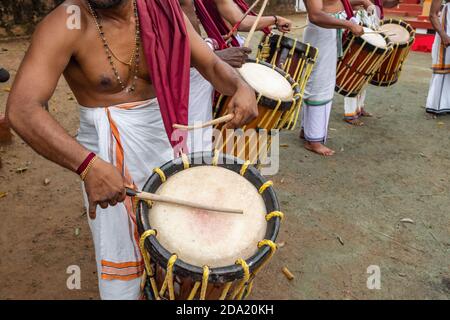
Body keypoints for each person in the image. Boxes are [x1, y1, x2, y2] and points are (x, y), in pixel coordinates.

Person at [6, 0, 257, 300]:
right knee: (122, 259)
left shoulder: (163, 10)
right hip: (104, 159)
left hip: (168, 143)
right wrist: (87, 166)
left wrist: (240, 86)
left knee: (181, 242)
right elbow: (22, 108)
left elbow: (210, 63)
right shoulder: (67, 22)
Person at [301, 0, 364, 156]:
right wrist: (348, 25)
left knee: (321, 82)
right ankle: (314, 140)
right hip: (320, 32)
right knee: (319, 84)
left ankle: (307, 130)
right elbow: (316, 15)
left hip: (327, 31)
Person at [343, 0, 400, 125]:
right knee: (355, 72)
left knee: (365, 73)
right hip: (357, 22)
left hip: (369, 20)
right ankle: (350, 113)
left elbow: (385, 4)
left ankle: (360, 107)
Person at [426, 0, 450, 115]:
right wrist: (443, 35)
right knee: (444, 65)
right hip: (448, 25)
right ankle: (437, 104)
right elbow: (432, 14)